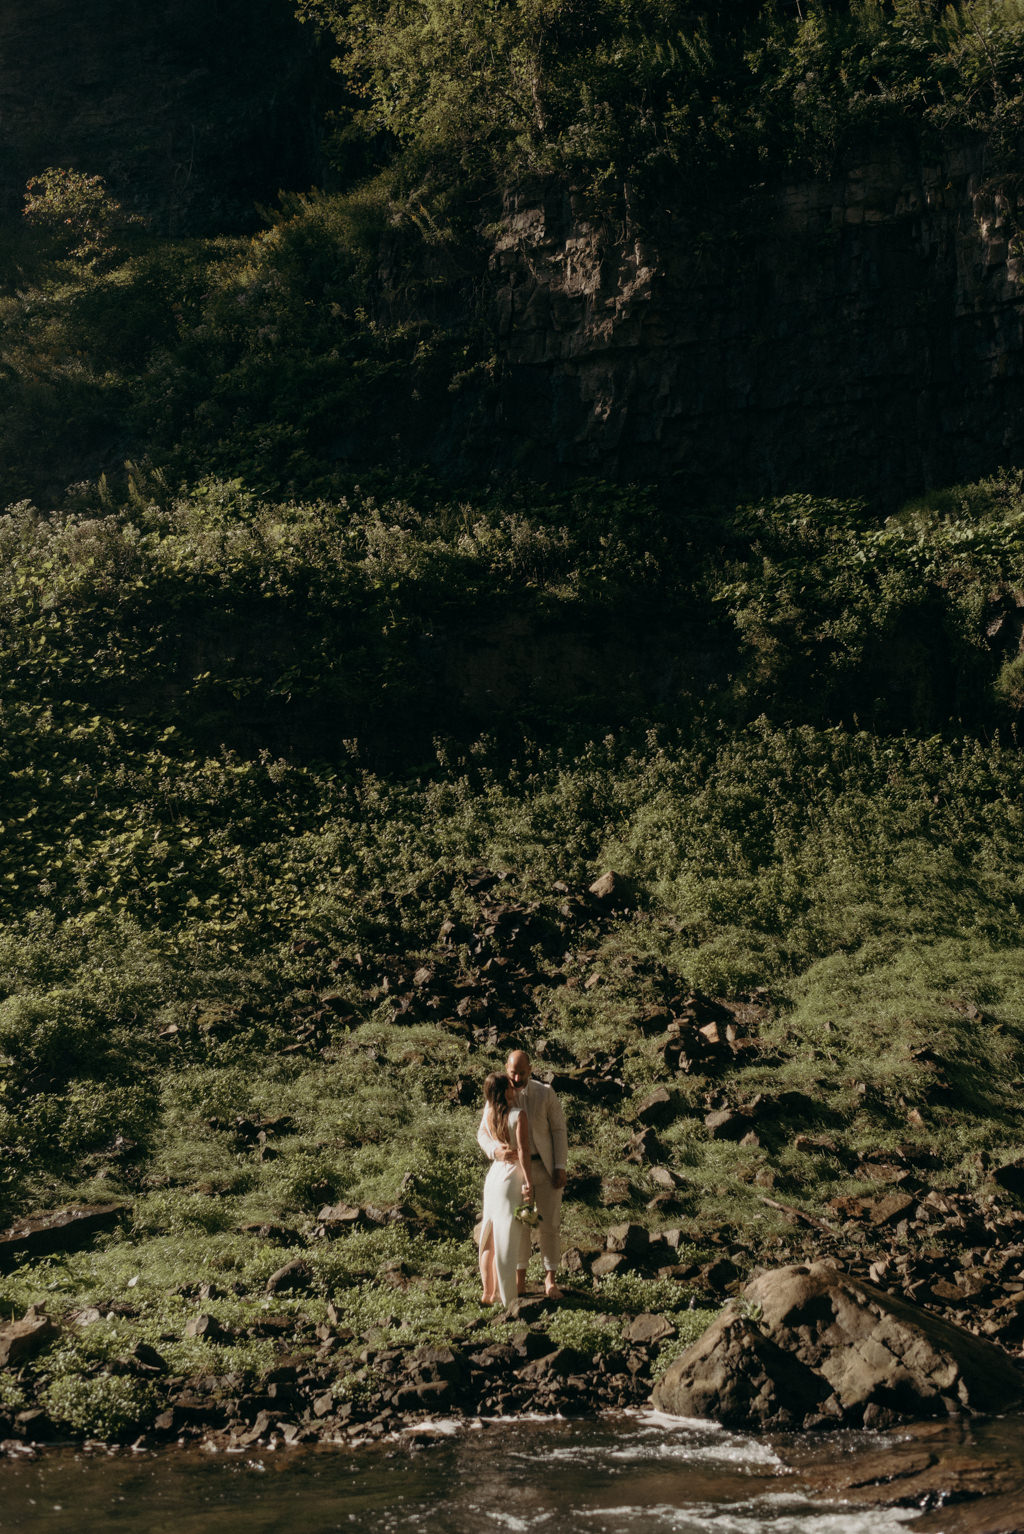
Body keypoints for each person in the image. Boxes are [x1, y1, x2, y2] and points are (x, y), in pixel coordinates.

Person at [477, 1049, 567, 1300]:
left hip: (545, 1166)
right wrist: (496, 1151)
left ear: (530, 1069)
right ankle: (520, 1280)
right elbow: (482, 1133)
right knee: (520, 1225)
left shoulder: (545, 1093)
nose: (516, 1078)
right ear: (506, 1068)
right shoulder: (497, 1095)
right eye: (512, 1072)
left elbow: (559, 1130)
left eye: (521, 1072)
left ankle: (550, 1279)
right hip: (516, 1170)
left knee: (549, 1223)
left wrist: (560, 1166)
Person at [477, 1072, 533, 1307]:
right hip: (511, 1177)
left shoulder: (489, 1112)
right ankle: (507, 1295)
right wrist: (529, 1183)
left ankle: (488, 1293)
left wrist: (494, 1151)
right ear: (506, 1090)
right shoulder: (517, 1115)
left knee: (489, 1237)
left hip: (494, 1176)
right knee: (507, 1235)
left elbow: (481, 1135)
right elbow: (523, 1151)